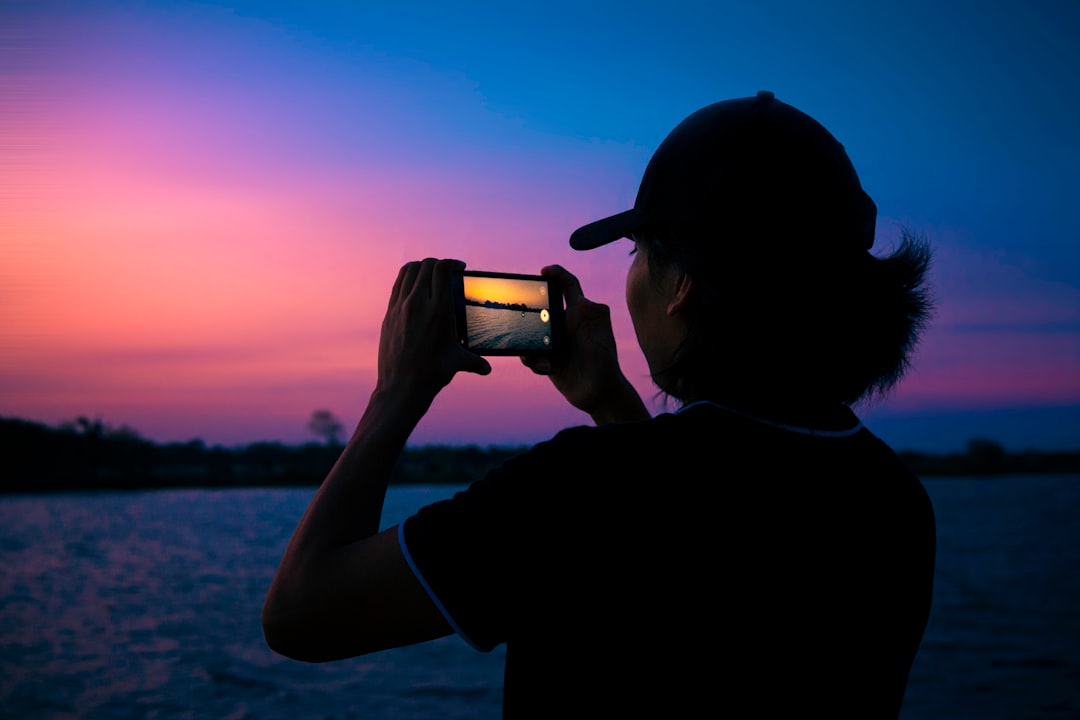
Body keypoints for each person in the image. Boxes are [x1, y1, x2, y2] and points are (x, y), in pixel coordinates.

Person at [262, 90, 936, 718]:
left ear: (682, 286)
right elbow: (694, 553)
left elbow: (300, 614)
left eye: (640, 251)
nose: (633, 276)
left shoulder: (580, 488)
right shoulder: (894, 499)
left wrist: (396, 393)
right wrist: (611, 404)